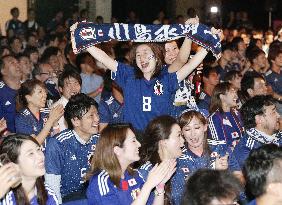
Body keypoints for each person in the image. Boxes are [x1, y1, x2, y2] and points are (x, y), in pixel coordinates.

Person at [85, 32, 219, 131]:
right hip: (134, 139)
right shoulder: (128, 75)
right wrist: (84, 40)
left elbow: (190, 64)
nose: (142, 58)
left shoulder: (167, 78)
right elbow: (104, 58)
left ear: (156, 57)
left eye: (146, 53)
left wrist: (212, 41)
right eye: (138, 55)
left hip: (160, 138)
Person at [87, 123, 176, 205]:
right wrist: (148, 186)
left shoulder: (135, 176)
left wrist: (160, 185)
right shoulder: (101, 181)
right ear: (117, 150)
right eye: (133, 141)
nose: (139, 144)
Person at [175, 110, 242, 205]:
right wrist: (215, 171)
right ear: (182, 132)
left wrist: (225, 174)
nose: (193, 134)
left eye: (197, 127)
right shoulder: (178, 157)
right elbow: (178, 197)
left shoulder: (221, 147)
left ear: (205, 127)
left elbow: (239, 177)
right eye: (187, 129)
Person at [45, 93, 99, 204]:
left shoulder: (100, 140)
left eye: (97, 114)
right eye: (91, 116)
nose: (97, 119)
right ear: (75, 121)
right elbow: (52, 187)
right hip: (67, 198)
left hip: (94, 194)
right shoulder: (58, 144)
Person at [0, 134, 59, 204]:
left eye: (38, 149)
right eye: (31, 153)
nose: (40, 156)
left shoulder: (48, 194)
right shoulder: (4, 199)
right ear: (13, 164)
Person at [138, 115, 184, 204]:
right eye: (178, 135)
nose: (183, 141)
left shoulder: (182, 163)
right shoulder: (146, 173)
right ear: (163, 141)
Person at [233, 95, 281, 168]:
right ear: (259, 119)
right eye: (273, 112)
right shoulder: (248, 150)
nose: (278, 116)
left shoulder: (277, 135)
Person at [15, 79, 64, 145]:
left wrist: (55, 123)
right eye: (40, 92)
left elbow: (58, 140)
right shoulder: (21, 118)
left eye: (45, 91)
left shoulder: (47, 112)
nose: (45, 95)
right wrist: (50, 120)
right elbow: (33, 144)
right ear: (28, 98)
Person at [208, 82, 244, 148]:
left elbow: (243, 136)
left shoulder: (237, 113)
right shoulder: (214, 118)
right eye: (232, 92)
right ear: (222, 97)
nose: (236, 96)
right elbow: (218, 147)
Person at [0, 55, 22, 132]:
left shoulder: (28, 87)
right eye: (12, 63)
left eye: (18, 62)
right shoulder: (1, 93)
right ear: (3, 71)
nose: (18, 65)